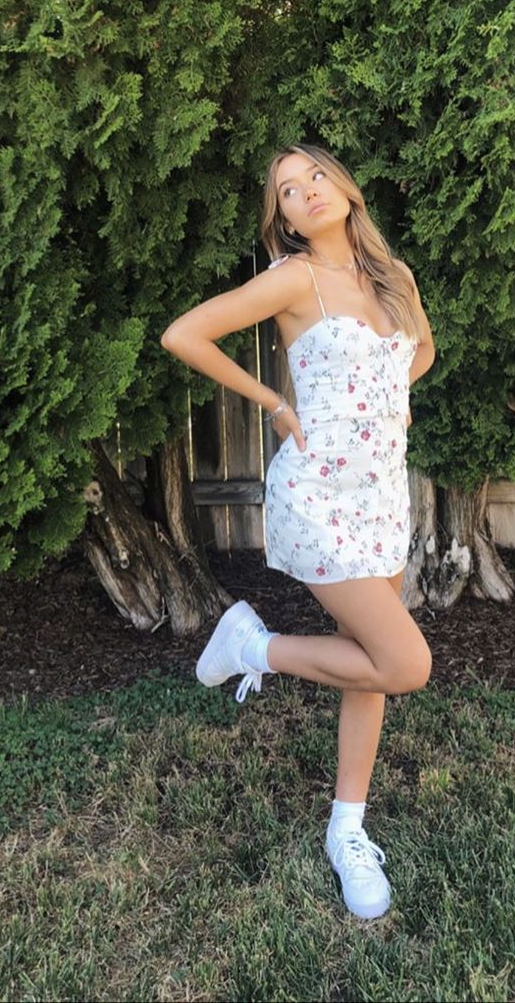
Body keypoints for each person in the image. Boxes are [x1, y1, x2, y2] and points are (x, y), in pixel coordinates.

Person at [160, 143, 437, 920]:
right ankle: (253, 648)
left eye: (315, 174)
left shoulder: (394, 277)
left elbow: (421, 351)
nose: (307, 191)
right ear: (279, 217)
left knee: (373, 667)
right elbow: (184, 334)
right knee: (404, 660)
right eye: (288, 190)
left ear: (344, 184)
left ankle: (346, 829)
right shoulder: (294, 279)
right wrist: (277, 406)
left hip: (382, 494)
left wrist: (391, 395)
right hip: (317, 498)